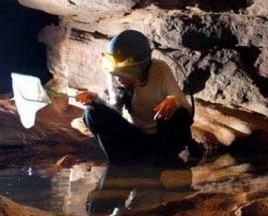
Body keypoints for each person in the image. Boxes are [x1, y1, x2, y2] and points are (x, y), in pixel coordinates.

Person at [76, 30, 201, 167]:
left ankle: (165, 159)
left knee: (180, 114)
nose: (118, 79)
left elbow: (185, 109)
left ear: (138, 67)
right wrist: (95, 101)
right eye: (116, 74)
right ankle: (120, 162)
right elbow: (114, 110)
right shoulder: (115, 76)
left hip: (163, 138)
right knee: (91, 113)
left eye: (123, 74)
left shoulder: (160, 69)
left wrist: (173, 100)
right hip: (137, 137)